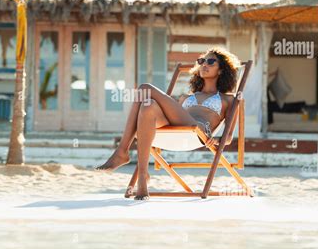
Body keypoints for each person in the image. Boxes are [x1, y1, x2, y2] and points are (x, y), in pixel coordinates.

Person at [95, 47, 241, 200]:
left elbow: (229, 136)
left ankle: (121, 152)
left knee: (145, 88)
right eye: (201, 61)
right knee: (148, 105)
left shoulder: (229, 99)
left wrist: (217, 140)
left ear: (221, 70)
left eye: (211, 62)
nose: (204, 64)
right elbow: (175, 115)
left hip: (197, 130)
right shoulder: (186, 97)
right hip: (176, 127)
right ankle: (143, 178)